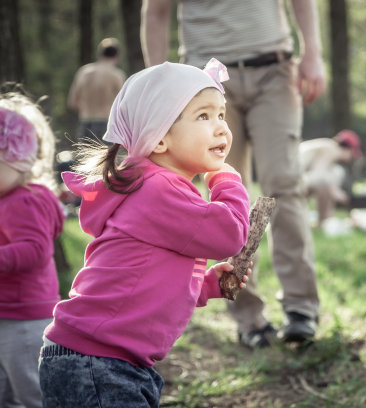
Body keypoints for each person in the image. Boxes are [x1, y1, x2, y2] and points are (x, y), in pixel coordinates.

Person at [38, 60, 252, 407]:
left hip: (101, 360)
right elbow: (230, 234)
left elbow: (144, 274)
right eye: (203, 116)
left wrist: (205, 285)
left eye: (221, 115)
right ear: (161, 137)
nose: (220, 129)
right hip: (100, 364)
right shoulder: (158, 188)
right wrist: (227, 181)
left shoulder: (150, 185)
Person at [142, 0, 327, 349]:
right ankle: (247, 316)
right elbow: (156, 10)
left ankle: (302, 308)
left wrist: (313, 53)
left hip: (275, 69)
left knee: (283, 185)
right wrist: (159, 81)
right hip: (203, 80)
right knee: (226, 193)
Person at [0, 91, 65, 408]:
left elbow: (35, 249)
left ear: (17, 159)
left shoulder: (25, 200)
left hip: (25, 318)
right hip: (8, 313)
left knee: (31, 392)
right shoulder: (7, 198)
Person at [67, 37, 126, 142]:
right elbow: (124, 104)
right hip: (106, 124)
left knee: (84, 158)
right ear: (117, 56)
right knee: (105, 158)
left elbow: (72, 102)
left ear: (100, 54)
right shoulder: (116, 75)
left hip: (85, 123)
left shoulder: (84, 72)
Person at [300, 129, 363, 226]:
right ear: (348, 149)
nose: (350, 158)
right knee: (330, 180)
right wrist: (336, 192)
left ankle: (325, 221)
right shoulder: (333, 149)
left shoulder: (326, 146)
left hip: (291, 179)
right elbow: (319, 174)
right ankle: (324, 222)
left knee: (333, 174)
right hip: (291, 180)